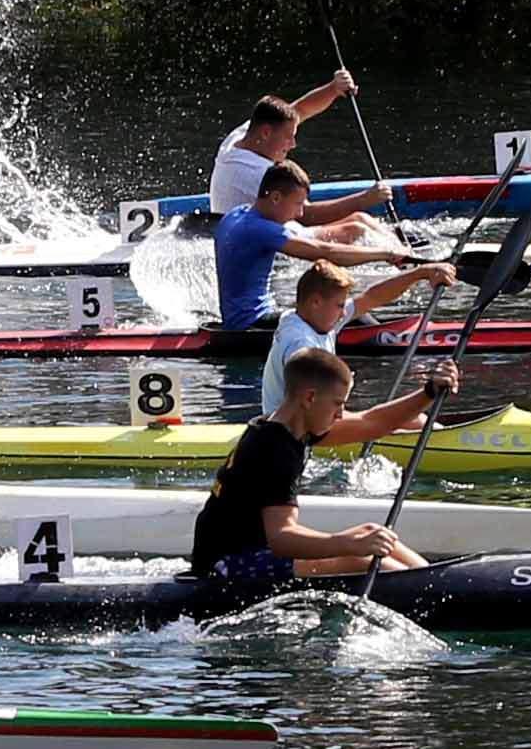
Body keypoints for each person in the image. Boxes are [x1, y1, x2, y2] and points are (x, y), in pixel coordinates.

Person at [188, 344, 464, 586]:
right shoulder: (273, 449)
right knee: (360, 559)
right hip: (225, 565)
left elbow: (372, 422)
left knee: (369, 531)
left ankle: (435, 583)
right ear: (309, 398)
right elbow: (281, 537)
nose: (342, 413)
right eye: (338, 404)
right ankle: (427, 593)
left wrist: (428, 392)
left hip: (253, 552)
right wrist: (347, 544)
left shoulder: (294, 426)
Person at [212, 160, 424, 333]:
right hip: (252, 326)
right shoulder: (261, 229)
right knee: (347, 315)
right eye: (297, 204)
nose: (300, 214)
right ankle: (390, 341)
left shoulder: (237, 214)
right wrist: (386, 254)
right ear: (275, 198)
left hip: (239, 320)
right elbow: (325, 252)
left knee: (334, 306)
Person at [205, 76, 397, 243]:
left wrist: (334, 89)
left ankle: (404, 247)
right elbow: (308, 215)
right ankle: (402, 256)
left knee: (361, 219)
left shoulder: (237, 139)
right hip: (266, 242)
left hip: (266, 230)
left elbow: (299, 110)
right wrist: (366, 198)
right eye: (288, 137)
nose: (293, 144)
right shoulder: (258, 174)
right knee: (357, 228)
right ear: (265, 133)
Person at [257, 255, 458, 412]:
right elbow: (309, 409)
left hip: (314, 418)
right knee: (391, 420)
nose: (344, 312)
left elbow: (371, 298)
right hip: (294, 433)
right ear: (316, 302)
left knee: (414, 419)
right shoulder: (300, 344)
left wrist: (419, 273)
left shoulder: (311, 317)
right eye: (339, 305)